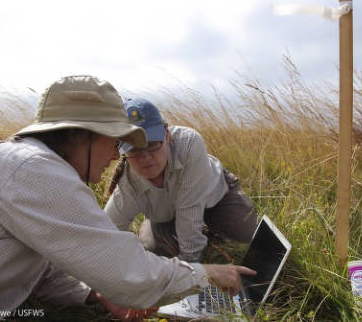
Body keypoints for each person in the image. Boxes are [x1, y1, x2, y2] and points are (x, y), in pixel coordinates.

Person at [0, 75, 256, 322]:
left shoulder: (24, 164)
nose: (117, 155)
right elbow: (127, 272)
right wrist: (207, 275)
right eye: (115, 142)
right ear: (82, 135)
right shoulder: (36, 171)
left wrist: (93, 293)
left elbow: (40, 265)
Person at [104, 98, 258, 263]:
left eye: (152, 144)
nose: (145, 158)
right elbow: (104, 233)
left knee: (246, 231)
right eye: (134, 149)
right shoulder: (128, 184)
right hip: (169, 216)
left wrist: (192, 271)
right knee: (152, 249)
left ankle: (210, 234)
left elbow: (189, 215)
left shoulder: (189, 143)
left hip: (214, 197)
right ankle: (165, 230)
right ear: (122, 151)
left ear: (167, 135)